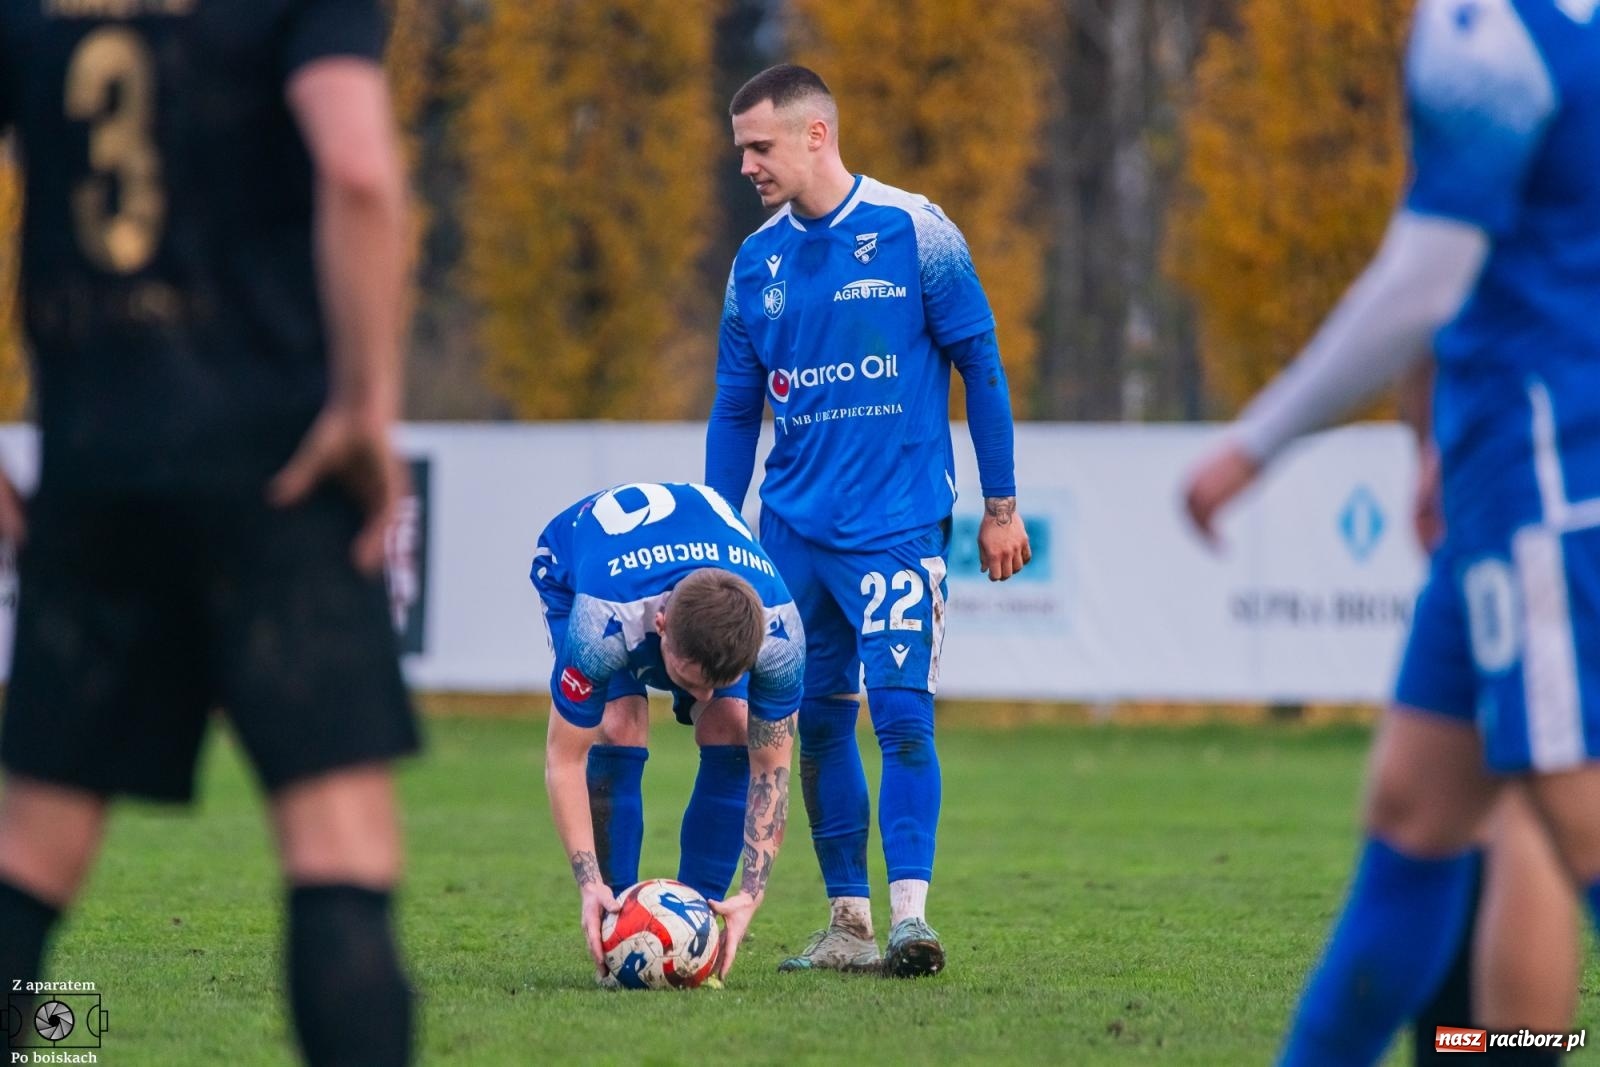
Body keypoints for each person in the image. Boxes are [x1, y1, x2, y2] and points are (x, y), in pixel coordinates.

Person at [0, 4, 419, 1065]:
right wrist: (366, 405)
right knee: (336, 844)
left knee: (30, 853)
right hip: (279, 461)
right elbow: (358, 167)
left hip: (96, 463)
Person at [1183, 1, 1600, 1062]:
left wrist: (1255, 444)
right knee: (1423, 810)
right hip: (1507, 479)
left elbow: (1427, 274)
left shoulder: (1490, 30)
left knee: (1559, 813)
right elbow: (1491, 253)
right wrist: (1436, 435)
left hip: (1548, 481)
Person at [706, 64, 1031, 978]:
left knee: (901, 718)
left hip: (894, 526)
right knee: (814, 724)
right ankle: (847, 924)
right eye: (740, 150)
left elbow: (984, 365)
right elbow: (735, 411)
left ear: (817, 135)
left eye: (759, 146)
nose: (747, 167)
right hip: (790, 540)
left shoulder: (914, 230)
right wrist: (719, 534)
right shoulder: (755, 262)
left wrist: (1000, 504)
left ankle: (911, 921)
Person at [531, 481, 803, 983]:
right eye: (689, 682)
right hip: (580, 567)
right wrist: (588, 884)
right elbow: (564, 759)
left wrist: (751, 893)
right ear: (660, 626)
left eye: (715, 684)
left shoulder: (780, 631)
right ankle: (615, 925)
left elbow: (773, 768)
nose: (700, 699)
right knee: (620, 725)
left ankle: (697, 926)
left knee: (732, 727)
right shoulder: (602, 621)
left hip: (696, 566)